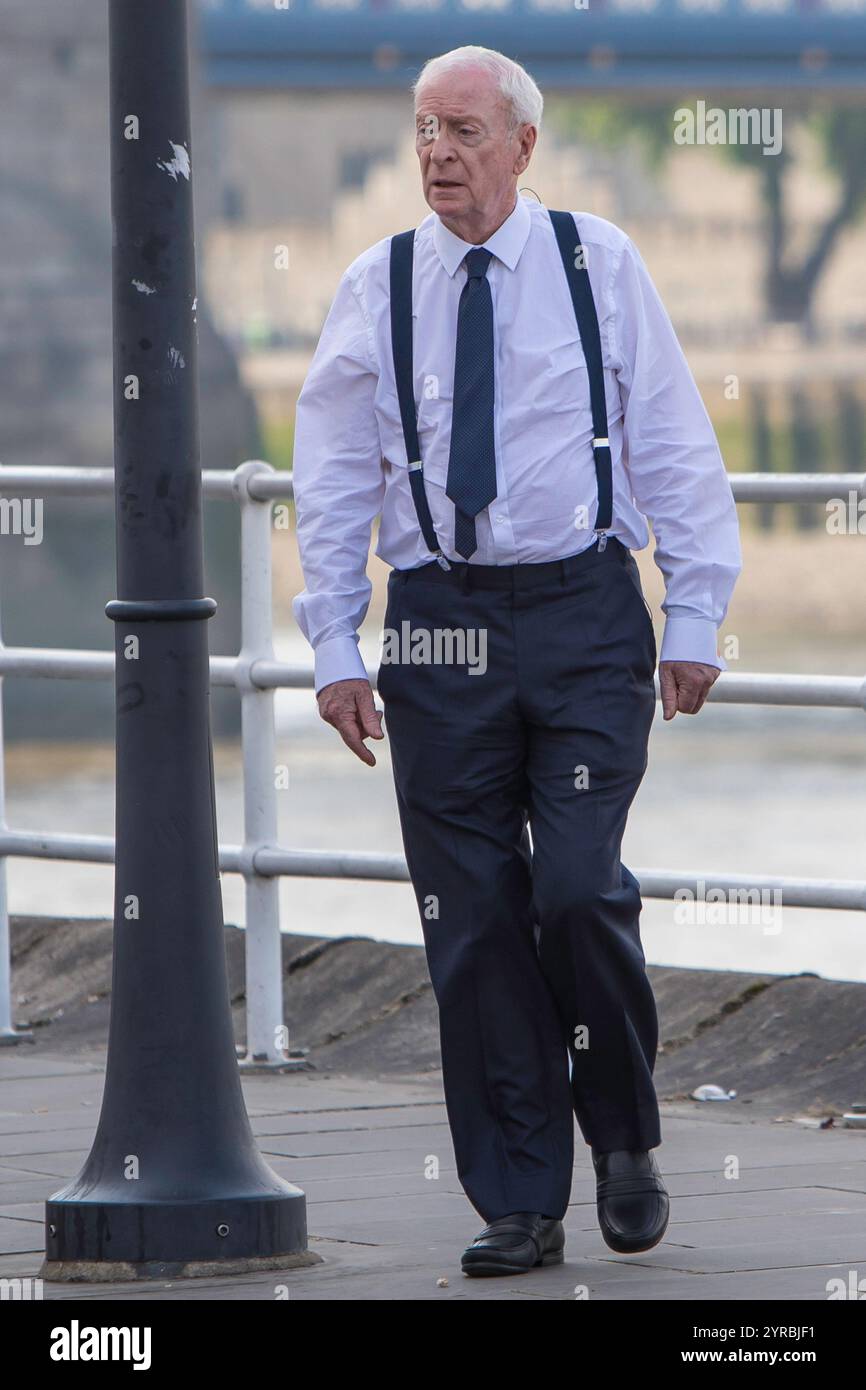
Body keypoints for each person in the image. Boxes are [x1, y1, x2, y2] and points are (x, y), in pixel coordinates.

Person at [292, 45, 741, 1277]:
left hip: (584, 613)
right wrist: (334, 642)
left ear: (521, 145)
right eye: (422, 128)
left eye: (462, 130)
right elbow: (330, 480)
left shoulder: (599, 263)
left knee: (578, 889)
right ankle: (519, 1201)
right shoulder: (372, 286)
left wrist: (694, 611)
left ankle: (627, 1134)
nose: (436, 151)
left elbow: (669, 438)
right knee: (474, 919)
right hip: (435, 622)